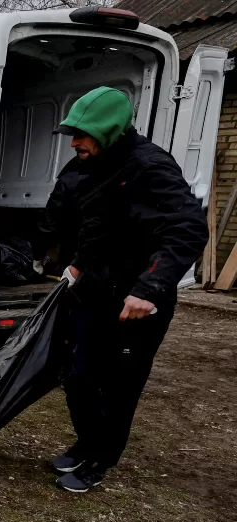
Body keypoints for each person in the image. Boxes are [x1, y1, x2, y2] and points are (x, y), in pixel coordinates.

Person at [35, 86, 207, 493]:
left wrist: (149, 289)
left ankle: (100, 460)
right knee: (78, 375)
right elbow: (97, 225)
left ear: (107, 130)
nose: (74, 142)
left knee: (118, 384)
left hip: (138, 299)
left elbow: (187, 228)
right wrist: (75, 264)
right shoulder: (92, 166)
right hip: (97, 287)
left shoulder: (150, 166)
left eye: (81, 133)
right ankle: (86, 443)